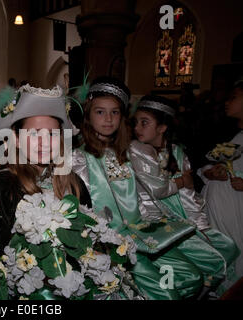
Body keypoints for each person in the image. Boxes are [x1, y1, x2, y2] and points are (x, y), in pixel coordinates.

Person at [72, 77, 206, 300]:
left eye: (115, 112)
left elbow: (141, 197)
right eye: (100, 112)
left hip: (140, 238)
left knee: (192, 277)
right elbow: (79, 209)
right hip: (110, 245)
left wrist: (155, 225)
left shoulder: (128, 153)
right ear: (88, 115)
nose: (108, 119)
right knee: (166, 294)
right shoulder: (77, 158)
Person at [129, 95, 240, 296]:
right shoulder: (136, 150)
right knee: (187, 274)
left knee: (227, 248)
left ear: (162, 127)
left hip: (180, 221)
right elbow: (158, 189)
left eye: (144, 122)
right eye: (135, 122)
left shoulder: (177, 153)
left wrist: (201, 225)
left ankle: (204, 291)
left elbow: (189, 196)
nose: (137, 127)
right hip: (151, 224)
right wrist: (181, 181)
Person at [0, 84, 91, 254]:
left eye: (52, 134)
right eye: (34, 134)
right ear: (17, 138)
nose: (45, 142)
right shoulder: (4, 185)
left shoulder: (72, 182)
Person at [198, 79, 243, 281]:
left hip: (236, 207)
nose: (227, 102)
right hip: (217, 205)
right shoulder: (226, 130)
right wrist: (210, 172)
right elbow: (203, 164)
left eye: (233, 97)